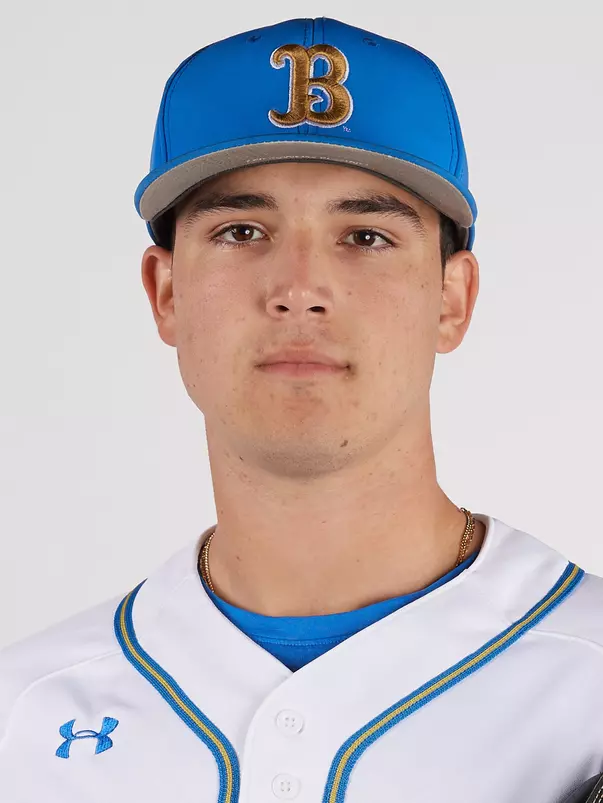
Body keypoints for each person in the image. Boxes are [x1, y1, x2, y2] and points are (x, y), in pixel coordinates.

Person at [1, 17, 602, 803]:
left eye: (366, 235)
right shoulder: (24, 716)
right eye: (241, 230)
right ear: (167, 292)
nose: (299, 287)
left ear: (451, 299)